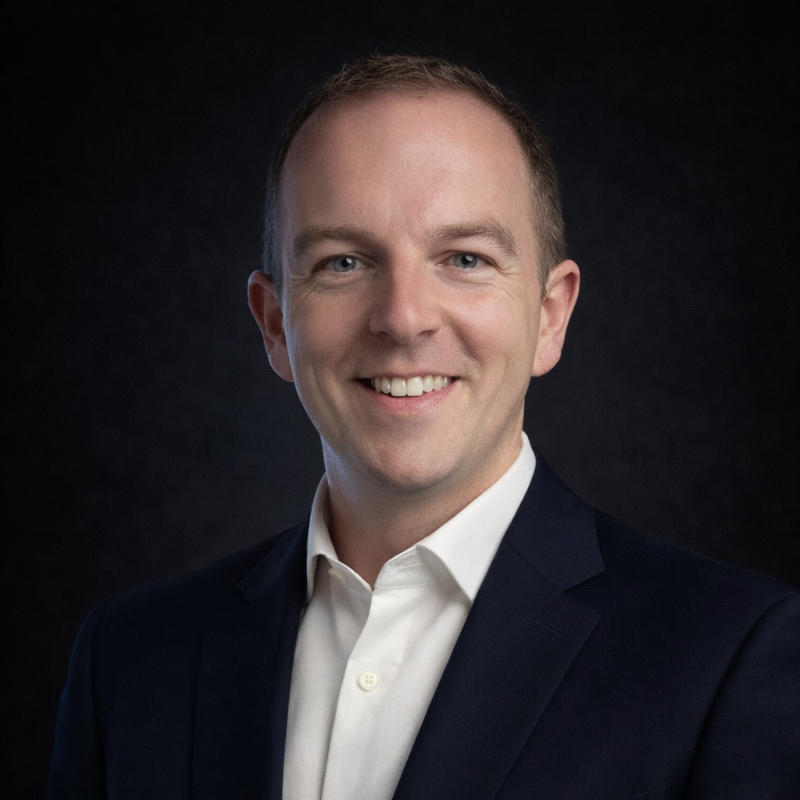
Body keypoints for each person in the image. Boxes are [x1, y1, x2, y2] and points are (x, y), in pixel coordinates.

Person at [50, 55, 799, 799]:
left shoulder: (731, 655)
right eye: (343, 262)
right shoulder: (127, 661)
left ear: (549, 315)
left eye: (465, 258)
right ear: (276, 325)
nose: (404, 318)